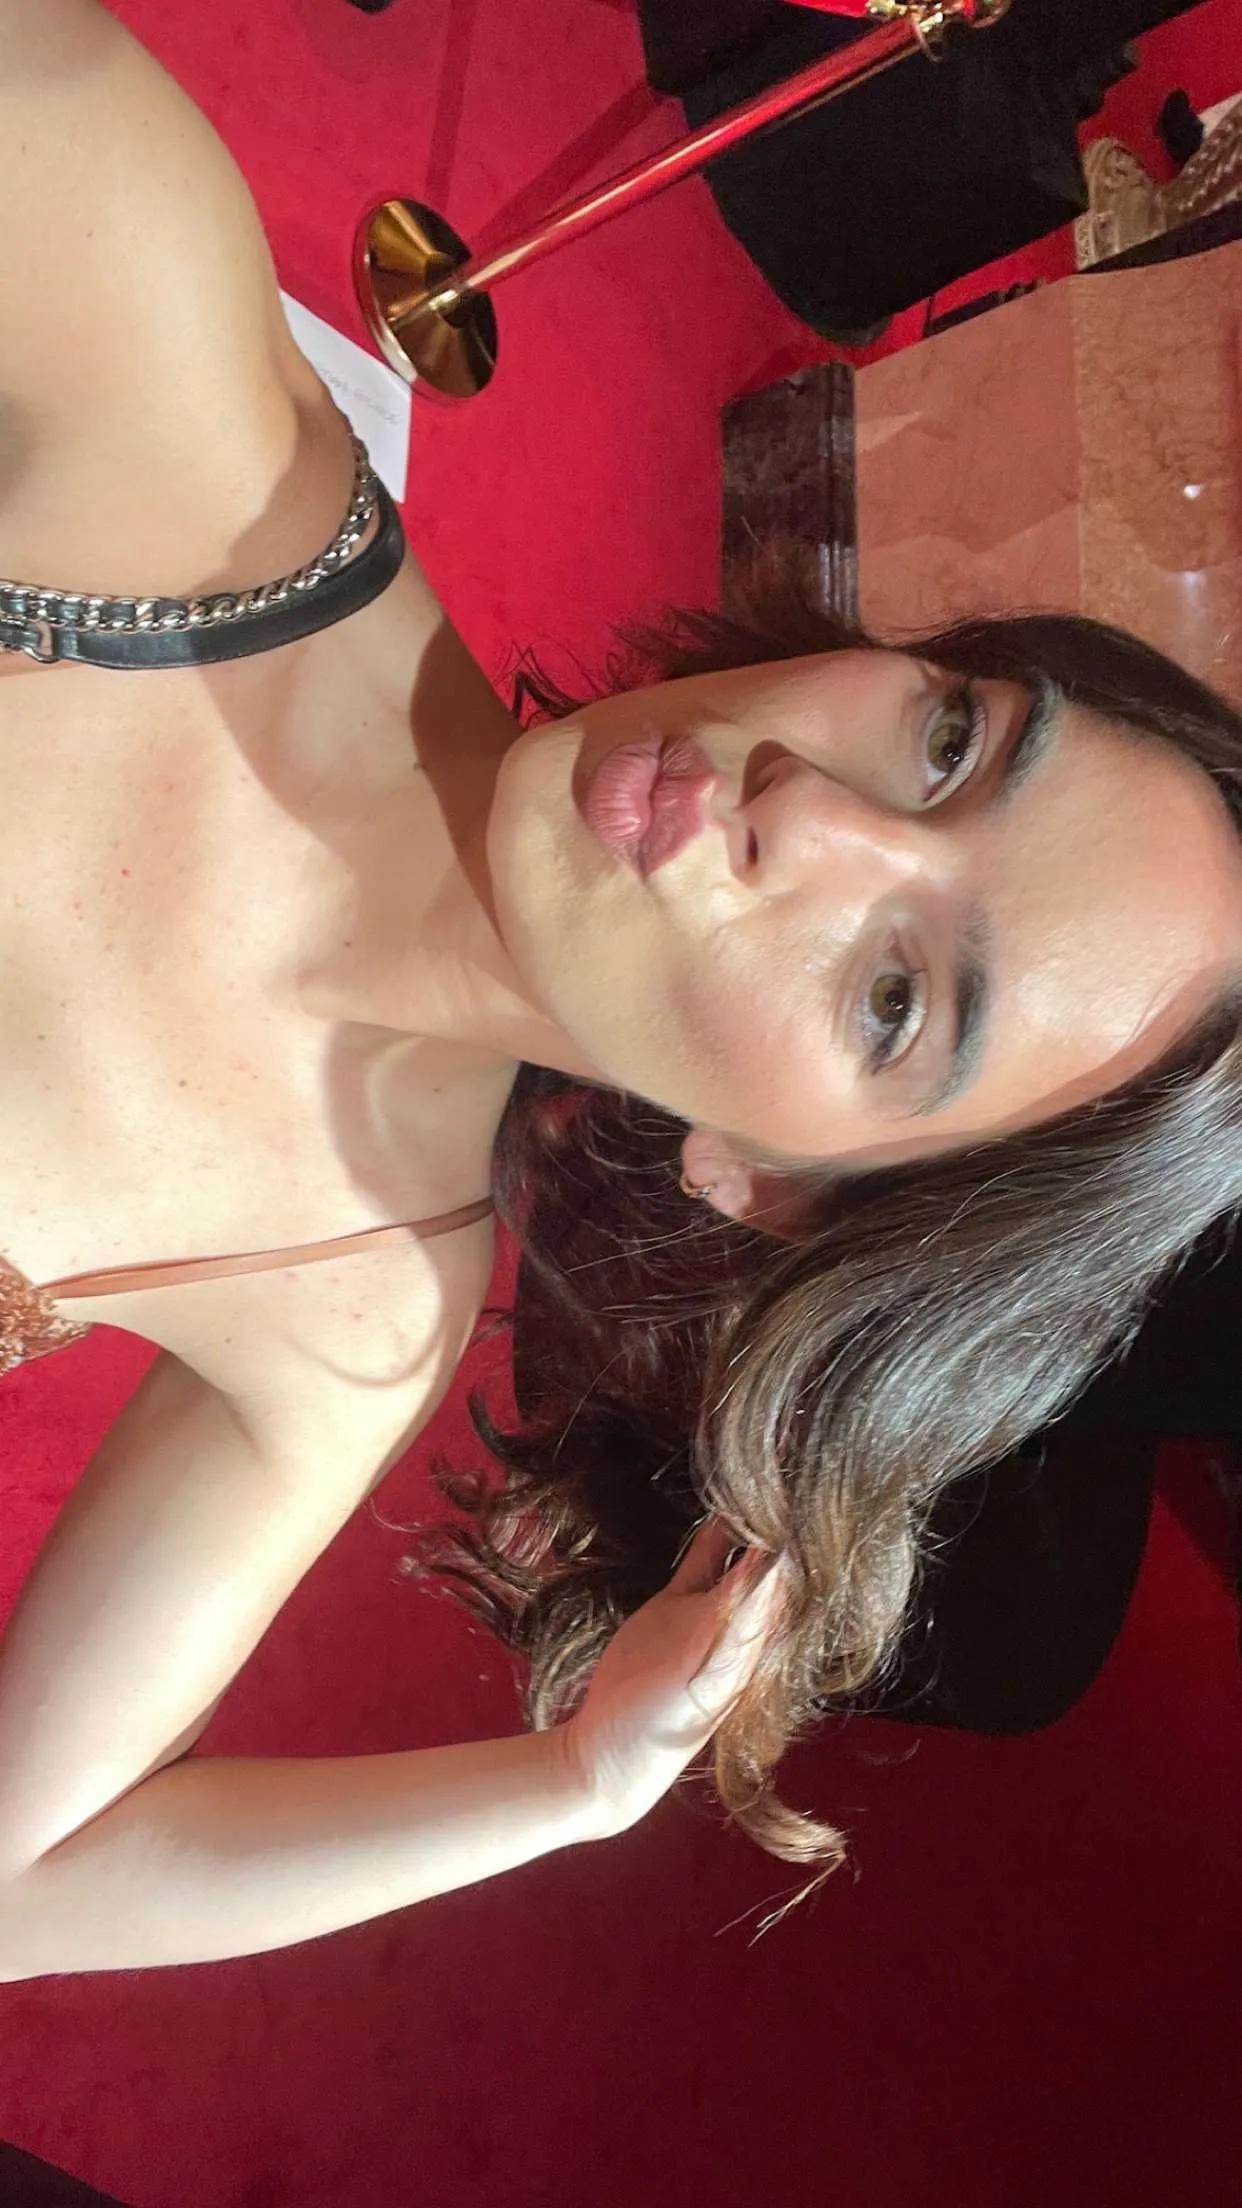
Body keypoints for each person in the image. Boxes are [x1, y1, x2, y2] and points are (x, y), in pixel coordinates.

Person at [0, 1, 1240, 1978]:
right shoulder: (159, 410)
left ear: (775, 1183)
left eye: (898, 1001)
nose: (807, 814)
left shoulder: (351, 1303)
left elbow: (24, 1876)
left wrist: (576, 1784)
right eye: (948, 741)